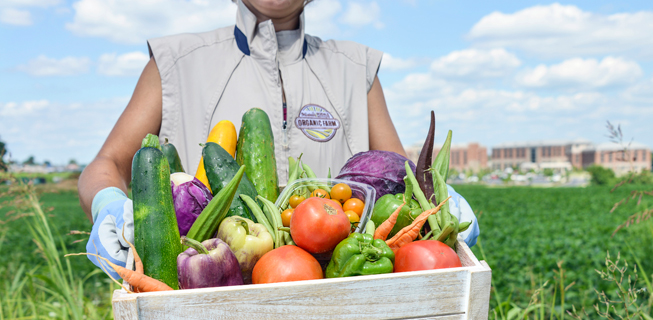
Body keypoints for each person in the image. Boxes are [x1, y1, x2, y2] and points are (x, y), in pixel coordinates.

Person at [79, 0, 479, 278]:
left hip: (343, 304)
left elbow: (400, 177)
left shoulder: (357, 70)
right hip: (206, 302)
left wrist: (438, 207)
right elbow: (107, 164)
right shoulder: (175, 63)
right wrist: (107, 204)